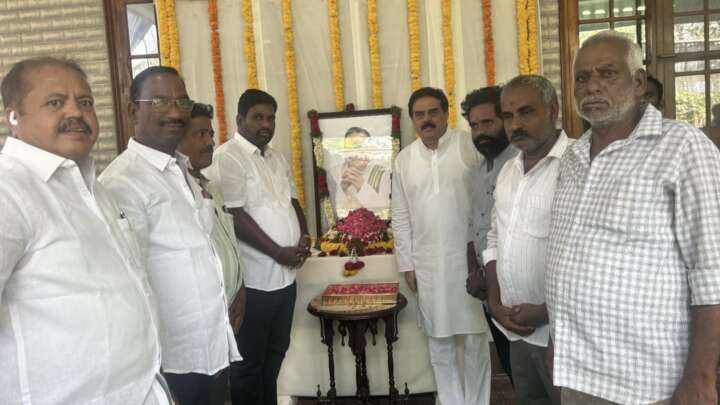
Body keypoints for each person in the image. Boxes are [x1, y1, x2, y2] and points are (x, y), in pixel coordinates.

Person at [547, 30, 720, 405]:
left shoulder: (681, 146)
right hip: (577, 373)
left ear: (639, 83)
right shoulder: (572, 158)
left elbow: (712, 272)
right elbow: (567, 258)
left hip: (647, 383)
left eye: (608, 73)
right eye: (582, 77)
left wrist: (701, 377)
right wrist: (557, 342)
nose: (592, 86)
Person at [0, 57, 170, 404]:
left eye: (85, 102)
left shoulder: (94, 189)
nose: (76, 112)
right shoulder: (9, 191)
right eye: (55, 102)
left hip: (142, 390)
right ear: (13, 117)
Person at [100, 66, 240, 405]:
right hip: (171, 362)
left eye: (182, 102)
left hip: (210, 346)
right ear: (134, 110)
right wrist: (152, 375)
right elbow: (129, 284)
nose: (176, 112)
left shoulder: (181, 170)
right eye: (160, 102)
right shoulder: (122, 182)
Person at [204, 89, 310, 405]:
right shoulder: (228, 157)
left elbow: (292, 201)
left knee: (275, 355)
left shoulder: (276, 157)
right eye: (258, 117)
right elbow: (235, 216)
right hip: (254, 282)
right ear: (240, 119)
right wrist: (278, 252)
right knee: (249, 365)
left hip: (285, 279)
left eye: (270, 118)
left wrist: (305, 236)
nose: (266, 124)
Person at [393, 87, 491, 405]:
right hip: (429, 264)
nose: (427, 119)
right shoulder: (404, 160)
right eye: (419, 114)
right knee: (439, 342)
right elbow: (400, 215)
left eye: (433, 112)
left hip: (469, 262)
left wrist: (488, 259)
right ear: (412, 119)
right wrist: (407, 264)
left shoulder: (468, 145)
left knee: (475, 339)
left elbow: (489, 201)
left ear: (446, 113)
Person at [483, 75, 566, 405]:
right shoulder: (509, 171)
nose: (515, 124)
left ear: (553, 110)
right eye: (508, 116)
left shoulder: (578, 163)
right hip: (516, 330)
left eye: (526, 112)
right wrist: (494, 301)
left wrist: (547, 312)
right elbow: (494, 238)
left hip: (563, 334)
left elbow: (594, 254)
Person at [176, 102, 246, 404]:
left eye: (211, 134)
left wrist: (240, 287)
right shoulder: (177, 191)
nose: (209, 142)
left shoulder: (211, 186)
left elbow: (227, 243)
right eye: (200, 134)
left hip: (227, 312)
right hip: (196, 326)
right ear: (178, 139)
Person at [461, 85, 518, 385]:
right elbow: (473, 227)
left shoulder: (522, 164)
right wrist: (474, 272)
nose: (480, 132)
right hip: (487, 292)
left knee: (531, 373)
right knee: (511, 367)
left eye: (488, 122)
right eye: (474, 125)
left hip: (517, 289)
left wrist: (490, 279)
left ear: (505, 120)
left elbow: (516, 235)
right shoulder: (475, 172)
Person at [328, 126, 391, 218]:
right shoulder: (334, 173)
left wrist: (361, 186)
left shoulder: (381, 173)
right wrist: (342, 189)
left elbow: (385, 212)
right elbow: (329, 212)